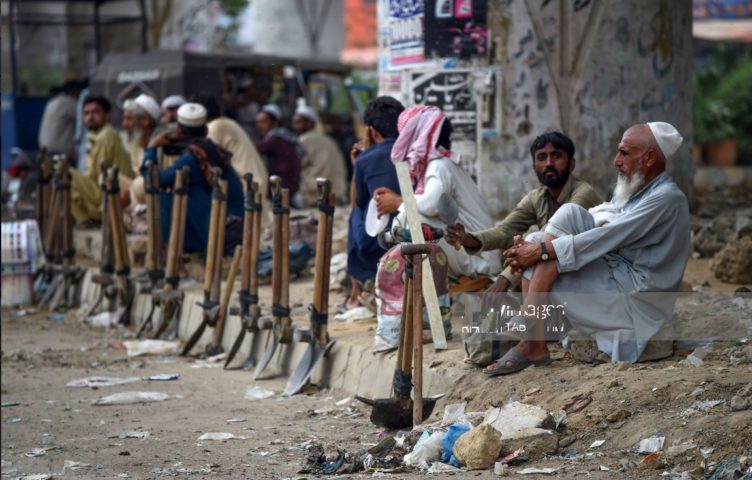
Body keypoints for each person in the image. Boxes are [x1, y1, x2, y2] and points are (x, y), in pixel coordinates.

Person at [484, 122, 690, 374]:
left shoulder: (667, 198)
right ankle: (533, 340)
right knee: (554, 227)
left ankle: (530, 337)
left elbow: (606, 237)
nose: (616, 161)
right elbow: (594, 225)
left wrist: (538, 252)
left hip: (637, 301)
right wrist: (536, 248)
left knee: (546, 254)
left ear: (649, 157)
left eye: (624, 153)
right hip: (616, 278)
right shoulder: (635, 192)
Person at [371, 106, 501, 350]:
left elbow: (429, 205)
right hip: (465, 254)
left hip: (478, 258)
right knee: (410, 219)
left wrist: (399, 202)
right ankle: (420, 308)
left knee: (414, 220)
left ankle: (428, 314)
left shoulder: (440, 165)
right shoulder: (437, 166)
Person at [445, 131, 602, 293]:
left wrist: (503, 280)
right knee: (514, 241)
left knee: (534, 235)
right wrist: (467, 239)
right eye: (542, 158)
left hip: (590, 273)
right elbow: (505, 231)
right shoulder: (538, 197)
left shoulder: (583, 194)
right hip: (557, 268)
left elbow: (547, 238)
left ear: (571, 164)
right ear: (534, 167)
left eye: (556, 156)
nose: (548, 163)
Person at [142, 103, 244, 254]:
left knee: (164, 197)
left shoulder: (193, 157)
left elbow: (152, 180)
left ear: (178, 130)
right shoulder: (210, 148)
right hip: (236, 227)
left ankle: (174, 253)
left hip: (224, 230)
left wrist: (151, 148)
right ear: (206, 130)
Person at [345, 96, 404, 310]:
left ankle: (356, 292)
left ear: (371, 131)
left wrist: (357, 164)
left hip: (378, 247)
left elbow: (358, 204)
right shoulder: (414, 151)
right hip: (415, 237)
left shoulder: (365, 160)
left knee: (354, 215)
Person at [191, 92, 270, 208]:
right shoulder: (226, 122)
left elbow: (208, 160)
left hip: (247, 185)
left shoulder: (215, 127)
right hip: (255, 182)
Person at [69, 95, 134, 224]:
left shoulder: (106, 135)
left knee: (66, 173)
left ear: (107, 115)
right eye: (86, 113)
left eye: (95, 112)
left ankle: (88, 219)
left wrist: (80, 183)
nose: (90, 117)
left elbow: (97, 174)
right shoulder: (96, 135)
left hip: (115, 191)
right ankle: (86, 219)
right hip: (104, 187)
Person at [291, 105, 348, 206]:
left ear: (309, 123)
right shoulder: (329, 140)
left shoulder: (303, 140)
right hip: (337, 193)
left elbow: (296, 166)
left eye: (298, 123)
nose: (294, 126)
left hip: (314, 194)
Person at [255, 104, 302, 198]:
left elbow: (254, 148)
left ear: (275, 122)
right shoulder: (284, 137)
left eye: (264, 122)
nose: (260, 126)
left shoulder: (277, 140)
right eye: (258, 122)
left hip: (282, 187)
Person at [126, 94, 162, 207]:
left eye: (133, 118)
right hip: (140, 188)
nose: (129, 124)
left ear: (145, 120)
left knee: (138, 184)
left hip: (156, 188)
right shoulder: (137, 140)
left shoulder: (160, 139)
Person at [38, 79, 83, 160]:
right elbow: (84, 120)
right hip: (60, 151)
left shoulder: (52, 101)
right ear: (75, 92)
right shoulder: (69, 102)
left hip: (44, 149)